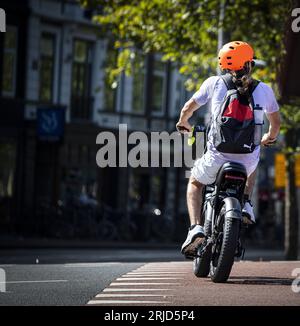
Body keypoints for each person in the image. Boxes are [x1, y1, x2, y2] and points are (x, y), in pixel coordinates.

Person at [176, 41, 281, 258]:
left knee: (195, 183)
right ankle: (245, 205)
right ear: (250, 64)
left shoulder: (214, 83)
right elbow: (276, 125)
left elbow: (188, 107)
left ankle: (195, 228)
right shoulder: (264, 90)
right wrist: (269, 138)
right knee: (253, 161)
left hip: (217, 155)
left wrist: (183, 122)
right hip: (247, 159)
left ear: (223, 64)